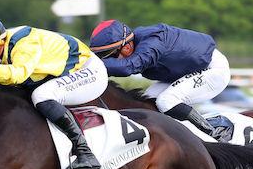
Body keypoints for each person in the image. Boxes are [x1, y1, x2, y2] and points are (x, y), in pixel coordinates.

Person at [0, 13, 107, 169]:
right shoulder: (1, 48)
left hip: (89, 71)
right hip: (60, 72)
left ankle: (84, 152)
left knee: (41, 95)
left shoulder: (24, 44)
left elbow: (17, 74)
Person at [88, 19, 231, 140]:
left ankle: (214, 133)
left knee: (167, 101)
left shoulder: (153, 42)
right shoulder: (136, 42)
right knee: (145, 104)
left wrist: (92, 64)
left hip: (212, 69)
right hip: (184, 71)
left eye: (107, 56)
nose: (105, 60)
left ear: (126, 47)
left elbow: (128, 67)